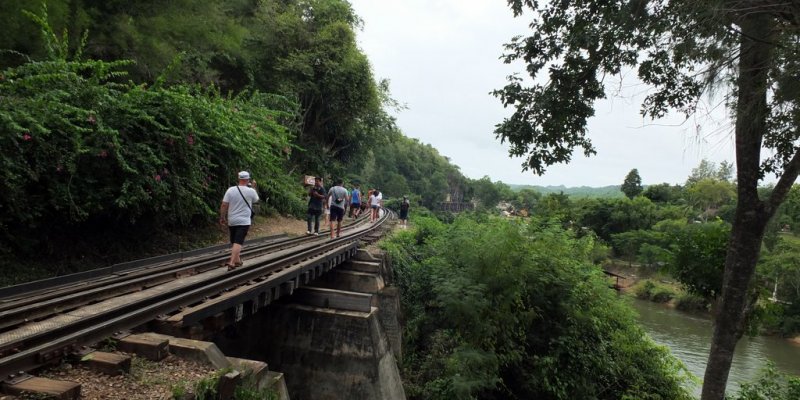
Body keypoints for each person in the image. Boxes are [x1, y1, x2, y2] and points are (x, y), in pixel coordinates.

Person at [219, 171, 259, 270]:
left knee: (234, 241)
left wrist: (222, 217)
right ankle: (232, 262)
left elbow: (224, 205)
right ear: (248, 180)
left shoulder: (230, 190)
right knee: (238, 241)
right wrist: (253, 188)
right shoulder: (251, 191)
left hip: (232, 220)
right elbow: (256, 200)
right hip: (244, 221)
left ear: (239, 179)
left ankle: (237, 260)